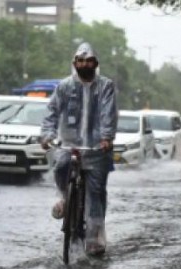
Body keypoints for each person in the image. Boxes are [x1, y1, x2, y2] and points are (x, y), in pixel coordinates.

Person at [40, 42, 117, 256]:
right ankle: (65, 198)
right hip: (68, 144)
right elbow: (52, 112)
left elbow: (108, 114)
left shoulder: (106, 86)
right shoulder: (64, 86)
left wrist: (106, 138)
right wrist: (47, 134)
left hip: (96, 148)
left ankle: (94, 237)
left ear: (95, 63)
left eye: (88, 61)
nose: (84, 64)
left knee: (96, 192)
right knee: (61, 165)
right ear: (75, 63)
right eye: (80, 61)